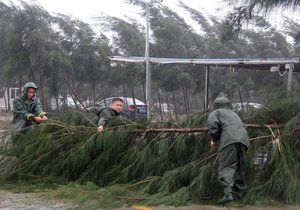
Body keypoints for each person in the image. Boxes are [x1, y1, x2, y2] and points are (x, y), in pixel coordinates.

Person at [207, 96, 249, 205]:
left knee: (226, 166)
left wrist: (214, 140)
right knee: (238, 167)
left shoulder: (216, 112)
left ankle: (228, 194)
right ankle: (239, 196)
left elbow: (213, 125)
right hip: (243, 140)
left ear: (216, 105)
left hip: (230, 140)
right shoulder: (234, 114)